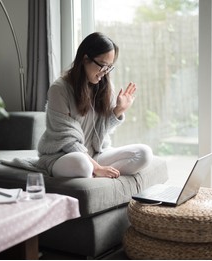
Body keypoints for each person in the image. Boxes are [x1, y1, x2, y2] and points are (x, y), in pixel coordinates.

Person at [36, 32, 153, 178]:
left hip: (96, 154)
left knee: (144, 153)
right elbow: (67, 141)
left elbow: (101, 132)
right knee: (83, 166)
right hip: (63, 156)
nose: (105, 72)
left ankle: (99, 174)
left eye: (109, 67)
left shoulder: (105, 86)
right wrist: (96, 167)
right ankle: (95, 172)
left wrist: (117, 111)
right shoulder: (59, 89)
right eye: (103, 66)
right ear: (85, 59)